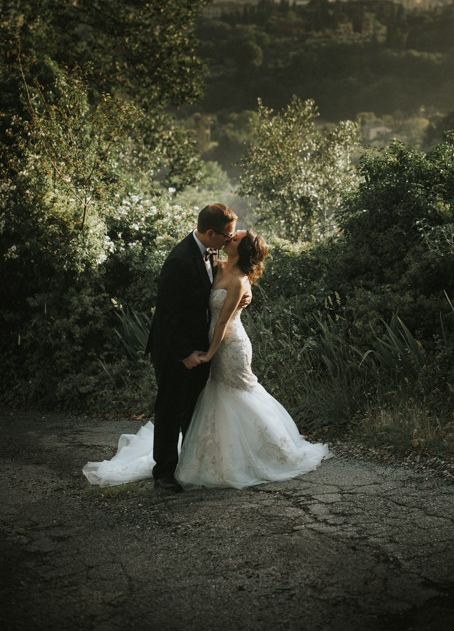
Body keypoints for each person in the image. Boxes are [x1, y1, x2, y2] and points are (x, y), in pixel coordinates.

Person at [82, 228, 330, 490]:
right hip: (202, 341)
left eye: (235, 238)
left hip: (230, 343)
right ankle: (196, 459)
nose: (230, 237)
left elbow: (223, 321)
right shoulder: (214, 264)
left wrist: (211, 352)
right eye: (229, 234)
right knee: (209, 397)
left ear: (242, 248)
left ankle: (259, 451)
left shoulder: (239, 280)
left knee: (237, 392)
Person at [146, 202, 238, 492]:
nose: (228, 242)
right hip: (174, 350)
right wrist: (184, 354)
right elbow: (167, 316)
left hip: (199, 348)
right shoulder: (179, 260)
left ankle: (188, 466)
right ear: (210, 233)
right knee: (170, 409)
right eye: (227, 236)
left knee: (192, 411)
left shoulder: (210, 253)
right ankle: (163, 475)